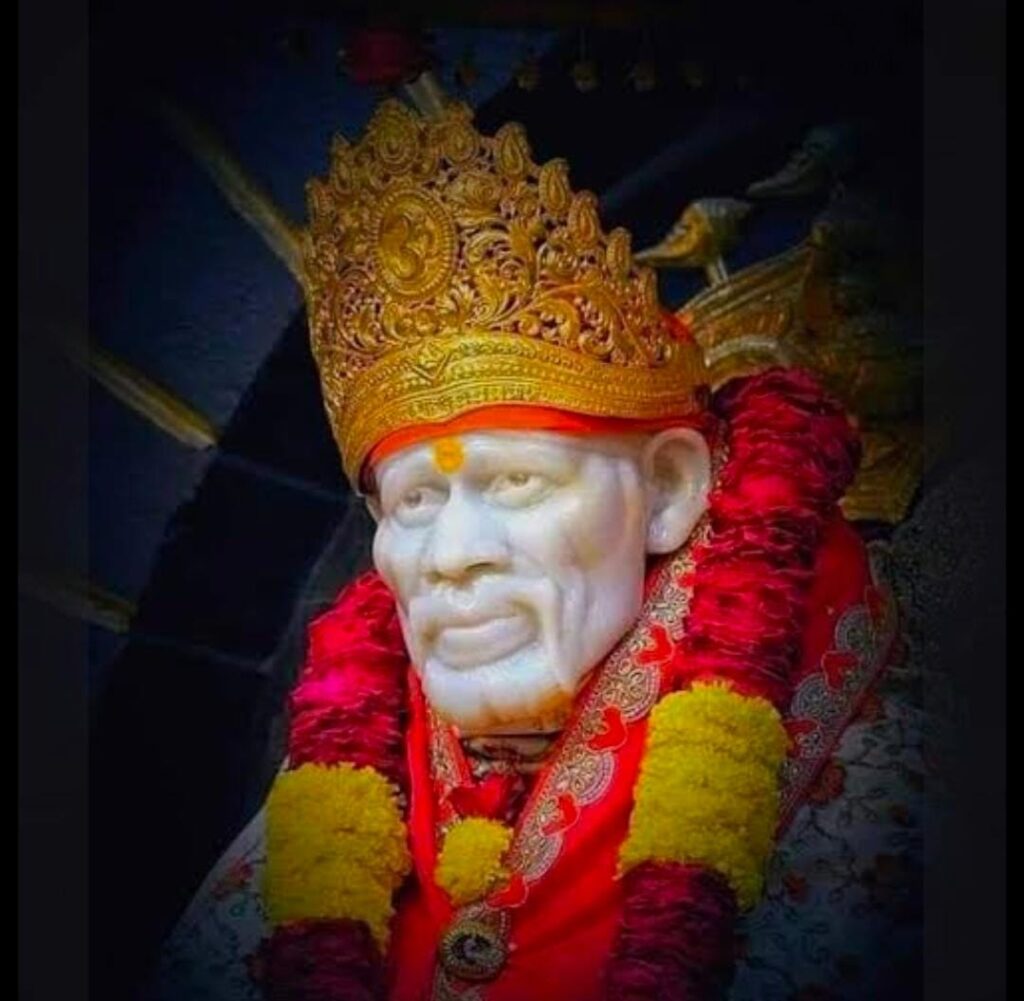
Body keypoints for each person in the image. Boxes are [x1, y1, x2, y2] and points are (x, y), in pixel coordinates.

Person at [147, 99, 923, 1001]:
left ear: (669, 490)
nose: (451, 556)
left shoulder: (890, 778)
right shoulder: (353, 762)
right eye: (415, 501)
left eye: (518, 481)